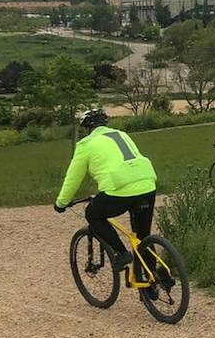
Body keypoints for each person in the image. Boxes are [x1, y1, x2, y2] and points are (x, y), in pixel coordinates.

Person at [54, 109, 157, 275]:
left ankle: (121, 253)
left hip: (119, 189)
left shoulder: (85, 145)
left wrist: (61, 203)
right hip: (147, 185)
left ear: (87, 128)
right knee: (142, 237)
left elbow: (73, 179)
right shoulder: (122, 134)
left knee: (93, 214)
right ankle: (155, 279)